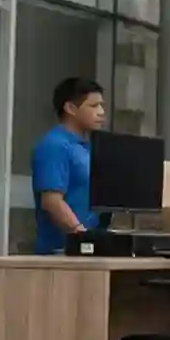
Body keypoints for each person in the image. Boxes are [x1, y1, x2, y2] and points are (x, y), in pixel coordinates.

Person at [31, 78, 108, 254]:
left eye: (102, 106)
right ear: (71, 108)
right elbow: (52, 202)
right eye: (94, 106)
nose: (101, 112)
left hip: (89, 250)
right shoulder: (55, 145)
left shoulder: (89, 147)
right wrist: (82, 236)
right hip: (60, 253)